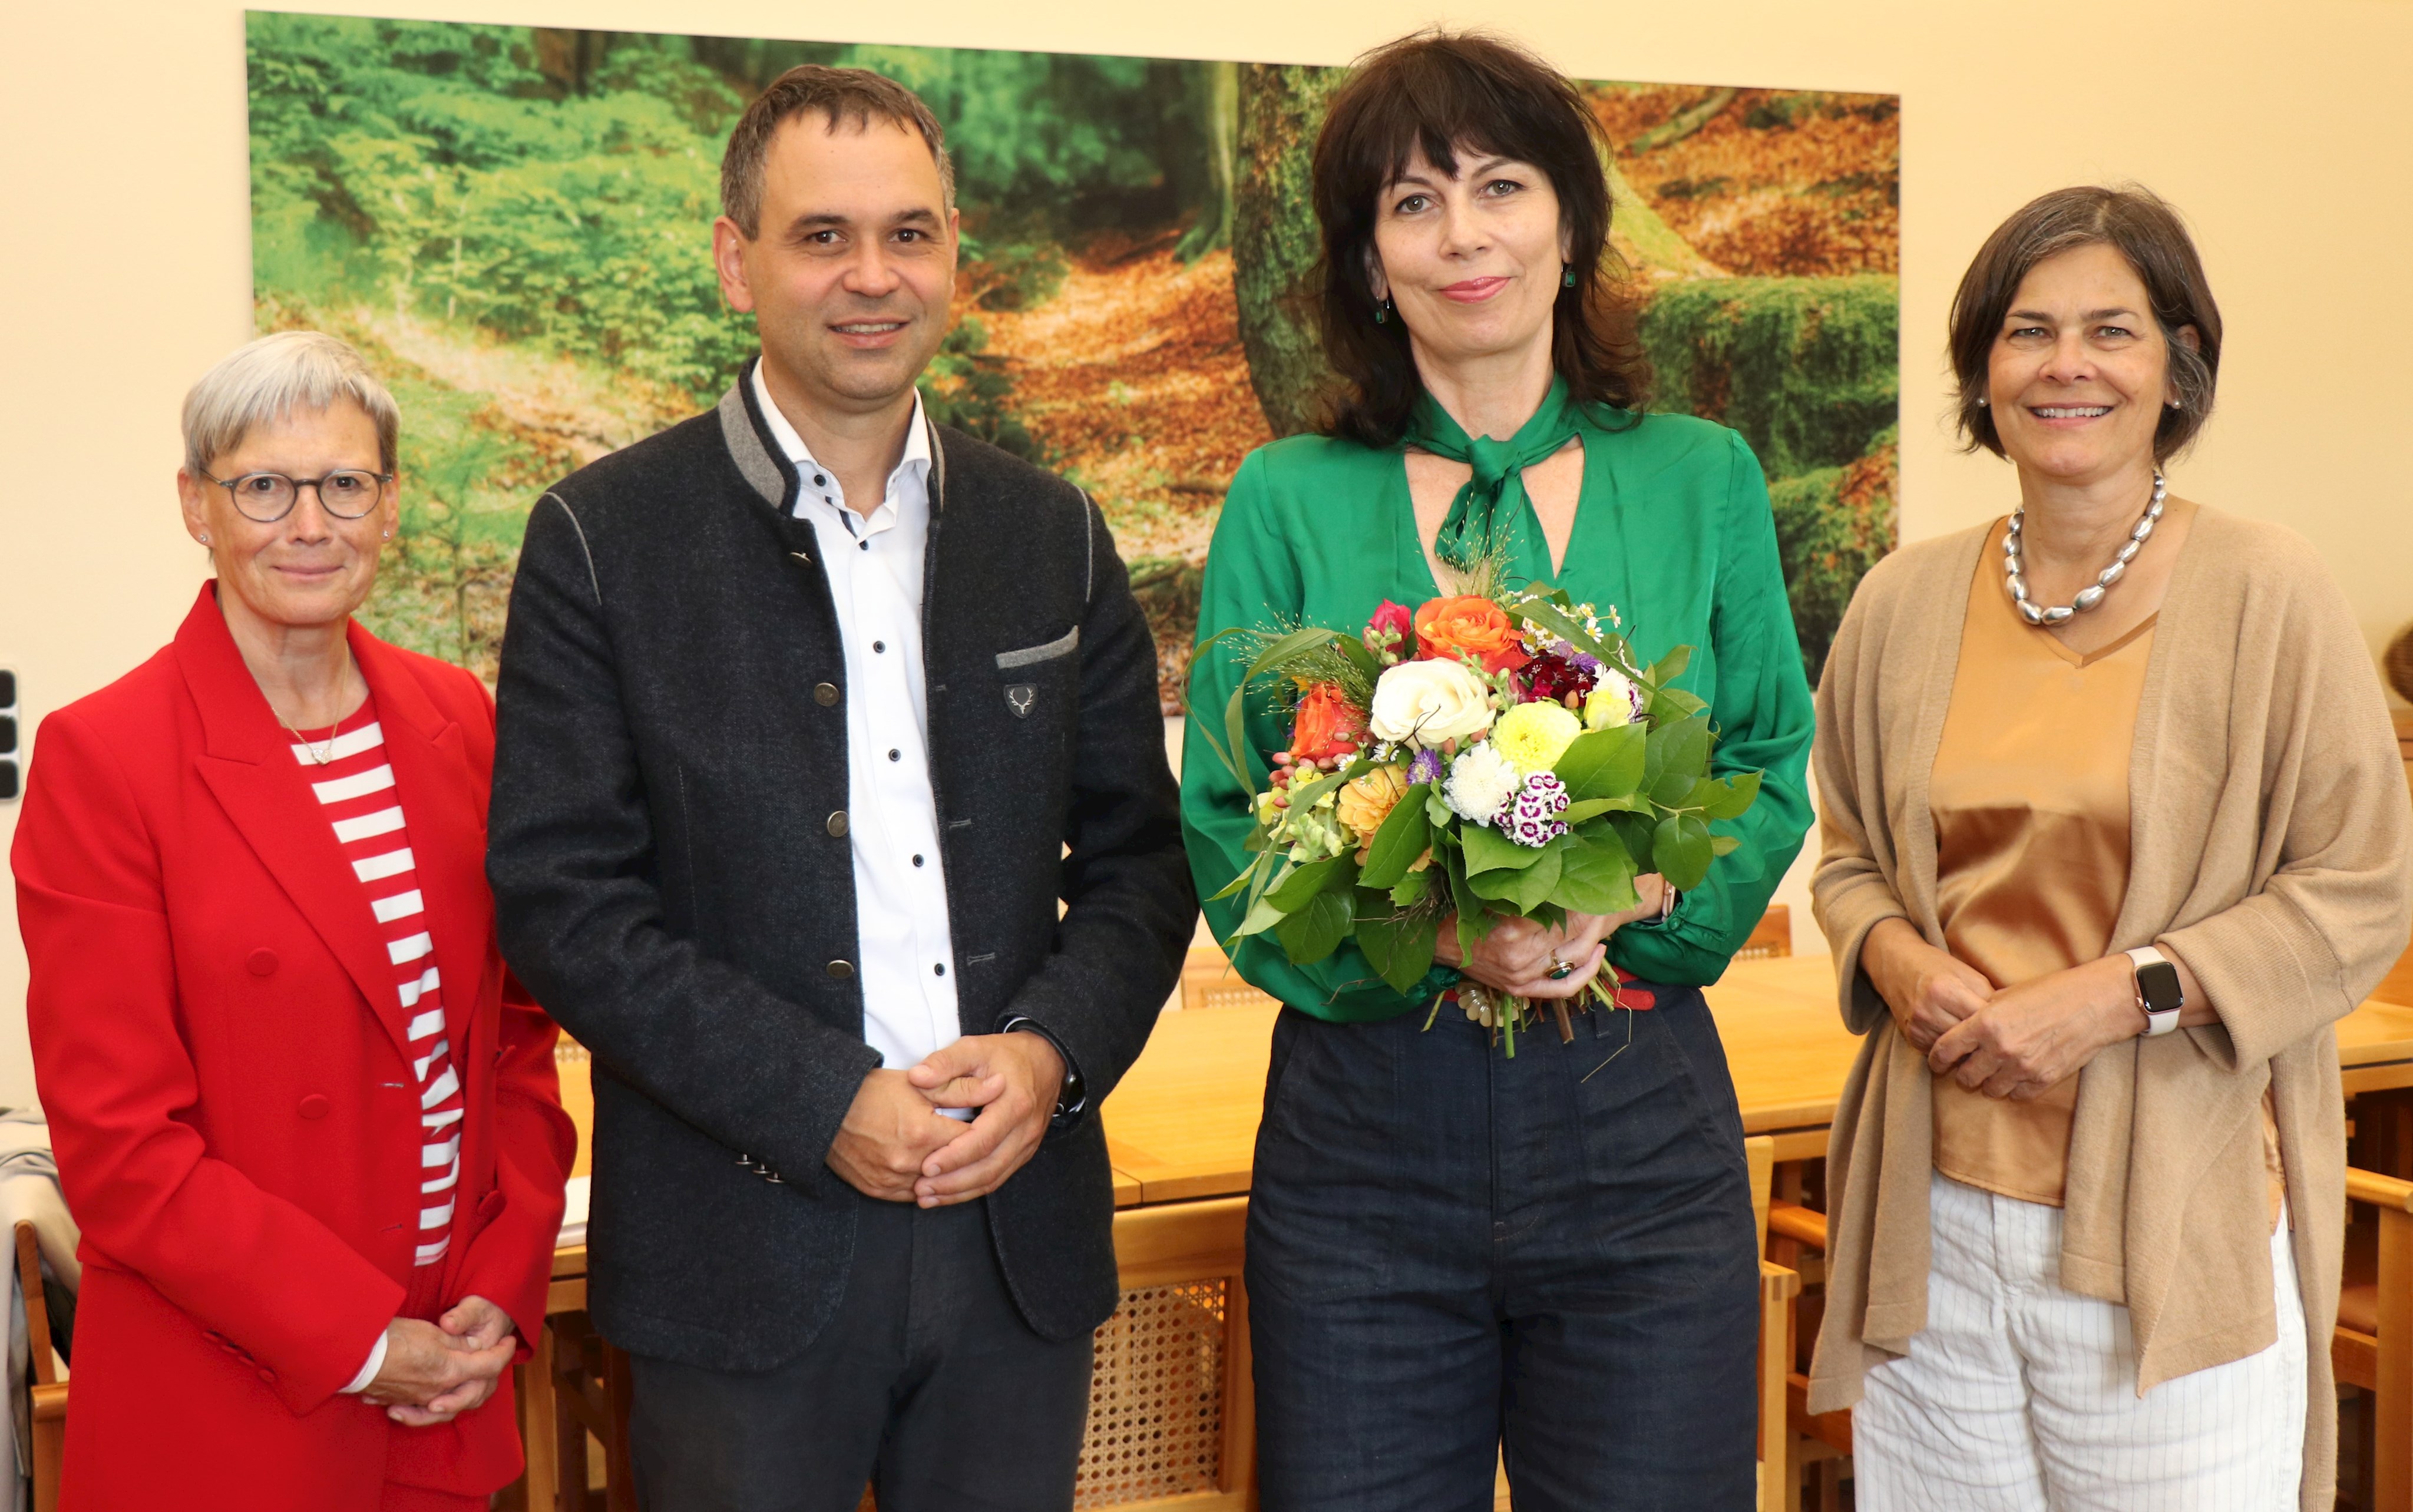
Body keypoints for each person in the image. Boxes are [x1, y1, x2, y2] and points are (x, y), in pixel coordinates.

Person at [485, 65, 1194, 1512]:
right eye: (821, 237)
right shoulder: (601, 540)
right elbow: (566, 907)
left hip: (1017, 1239)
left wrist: (1048, 1058)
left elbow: (1138, 864)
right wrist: (822, 1099)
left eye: (909, 234)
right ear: (735, 258)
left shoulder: (1048, 529)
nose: (871, 277)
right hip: (738, 1257)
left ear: (955, 258)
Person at [1181, 31, 1816, 1511]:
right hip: (1362, 1142)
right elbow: (1225, 811)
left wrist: (1636, 906)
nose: (1461, 234)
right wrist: (1437, 935)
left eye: (1499, 186)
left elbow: (1770, 753)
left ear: (1573, 222)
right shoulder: (1285, 496)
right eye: (1411, 203)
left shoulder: (1700, 474)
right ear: (1363, 261)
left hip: (1639, 1115)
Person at [1807, 186, 2413, 1510]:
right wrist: (1898, 961)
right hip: (1930, 1219)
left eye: (2110, 331)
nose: (2064, 365)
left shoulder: (2266, 589)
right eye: (2026, 331)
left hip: (2165, 1218)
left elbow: (2360, 888)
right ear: (1981, 369)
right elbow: (1844, 855)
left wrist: (2115, 996)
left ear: (2177, 364)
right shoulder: (1901, 598)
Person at [9, 331, 575, 1511]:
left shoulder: (453, 715)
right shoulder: (103, 756)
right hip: (235, 1400)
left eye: (344, 484)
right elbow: (122, 1149)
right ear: (195, 507)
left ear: (390, 504)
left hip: (448, 1383)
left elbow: (514, 1032)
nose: (308, 523)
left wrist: (503, 1275)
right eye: (263, 486)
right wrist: (366, 1342)